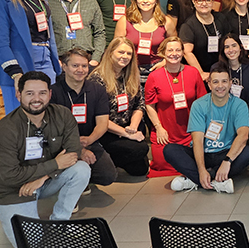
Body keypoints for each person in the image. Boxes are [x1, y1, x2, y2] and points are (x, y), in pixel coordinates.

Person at [0, 71, 90, 248]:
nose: (37, 99)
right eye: (30, 93)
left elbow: (73, 152)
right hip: (14, 190)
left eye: (42, 93)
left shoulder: (63, 115)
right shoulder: (4, 131)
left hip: (43, 182)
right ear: (18, 94)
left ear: (49, 94)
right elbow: (11, 176)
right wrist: (55, 164)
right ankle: (9, 212)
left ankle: (60, 222)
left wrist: (43, 178)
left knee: (81, 169)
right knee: (31, 246)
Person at [163, 63, 249, 193]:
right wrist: (201, 169)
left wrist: (227, 161)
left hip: (225, 153)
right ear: (209, 85)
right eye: (215, 82)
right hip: (202, 154)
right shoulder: (199, 105)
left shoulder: (240, 105)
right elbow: (197, 140)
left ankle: (195, 180)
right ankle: (216, 181)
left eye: (224, 81)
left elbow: (243, 136)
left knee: (248, 152)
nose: (220, 86)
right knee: (170, 150)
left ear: (230, 84)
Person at [0, 0, 61, 112]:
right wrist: (16, 73)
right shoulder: (2, 1)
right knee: (20, 114)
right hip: (19, 61)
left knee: (47, 110)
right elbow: (1, 43)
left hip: (45, 58)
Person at [49, 47, 116, 190]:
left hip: (89, 141)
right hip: (61, 145)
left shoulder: (97, 90)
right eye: (75, 65)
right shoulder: (53, 92)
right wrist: (78, 149)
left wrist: (90, 140)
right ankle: (70, 181)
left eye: (84, 66)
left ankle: (82, 178)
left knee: (108, 175)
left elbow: (103, 123)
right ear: (64, 67)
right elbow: (52, 130)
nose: (80, 70)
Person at [144, 37, 207, 177]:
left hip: (190, 131)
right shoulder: (154, 76)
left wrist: (200, 129)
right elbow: (149, 105)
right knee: (162, 164)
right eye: (170, 50)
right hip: (165, 132)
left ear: (183, 53)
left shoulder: (193, 72)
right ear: (163, 53)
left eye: (178, 50)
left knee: (195, 160)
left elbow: (203, 102)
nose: (174, 53)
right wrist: (159, 128)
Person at [89, 37, 149, 178]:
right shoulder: (97, 79)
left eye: (129, 53)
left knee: (140, 169)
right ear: (110, 53)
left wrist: (133, 127)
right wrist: (126, 134)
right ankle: (104, 162)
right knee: (141, 149)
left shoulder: (131, 75)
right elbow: (98, 117)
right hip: (107, 130)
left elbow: (139, 104)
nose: (125, 56)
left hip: (128, 126)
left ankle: (115, 158)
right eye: (121, 52)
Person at [48, 0, 106, 66]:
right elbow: (42, 34)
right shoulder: (47, 1)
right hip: (58, 61)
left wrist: (95, 59)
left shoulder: (91, 2)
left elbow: (100, 33)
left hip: (86, 61)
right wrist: (54, 59)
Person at [115, 0, 175, 84]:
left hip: (158, 69)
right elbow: (116, 49)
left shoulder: (166, 22)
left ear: (156, 0)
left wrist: (166, 61)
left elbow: (175, 47)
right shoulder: (124, 21)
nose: (145, 1)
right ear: (135, 0)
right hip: (130, 70)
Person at [179, 0, 229, 81]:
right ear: (193, 2)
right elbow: (187, 52)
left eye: (208, 0)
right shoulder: (188, 25)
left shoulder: (221, 18)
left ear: (213, 1)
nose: (204, 4)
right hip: (200, 74)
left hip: (221, 71)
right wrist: (201, 73)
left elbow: (229, 41)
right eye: (200, 1)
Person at [218, 33, 249, 127]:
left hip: (246, 117)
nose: (231, 50)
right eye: (227, 47)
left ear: (241, 47)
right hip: (223, 118)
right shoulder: (217, 69)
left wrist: (248, 124)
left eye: (234, 45)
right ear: (223, 51)